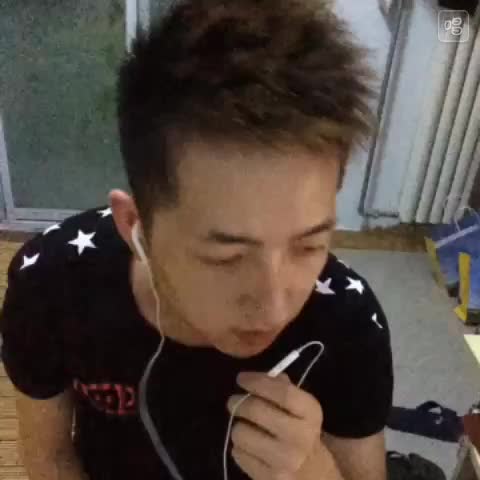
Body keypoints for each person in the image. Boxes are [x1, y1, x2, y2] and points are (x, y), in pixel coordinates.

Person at [0, 0, 394, 479]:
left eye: (309, 245)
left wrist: (314, 471)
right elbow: (49, 457)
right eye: (226, 256)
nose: (274, 307)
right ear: (135, 226)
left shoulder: (348, 323)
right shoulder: (53, 285)